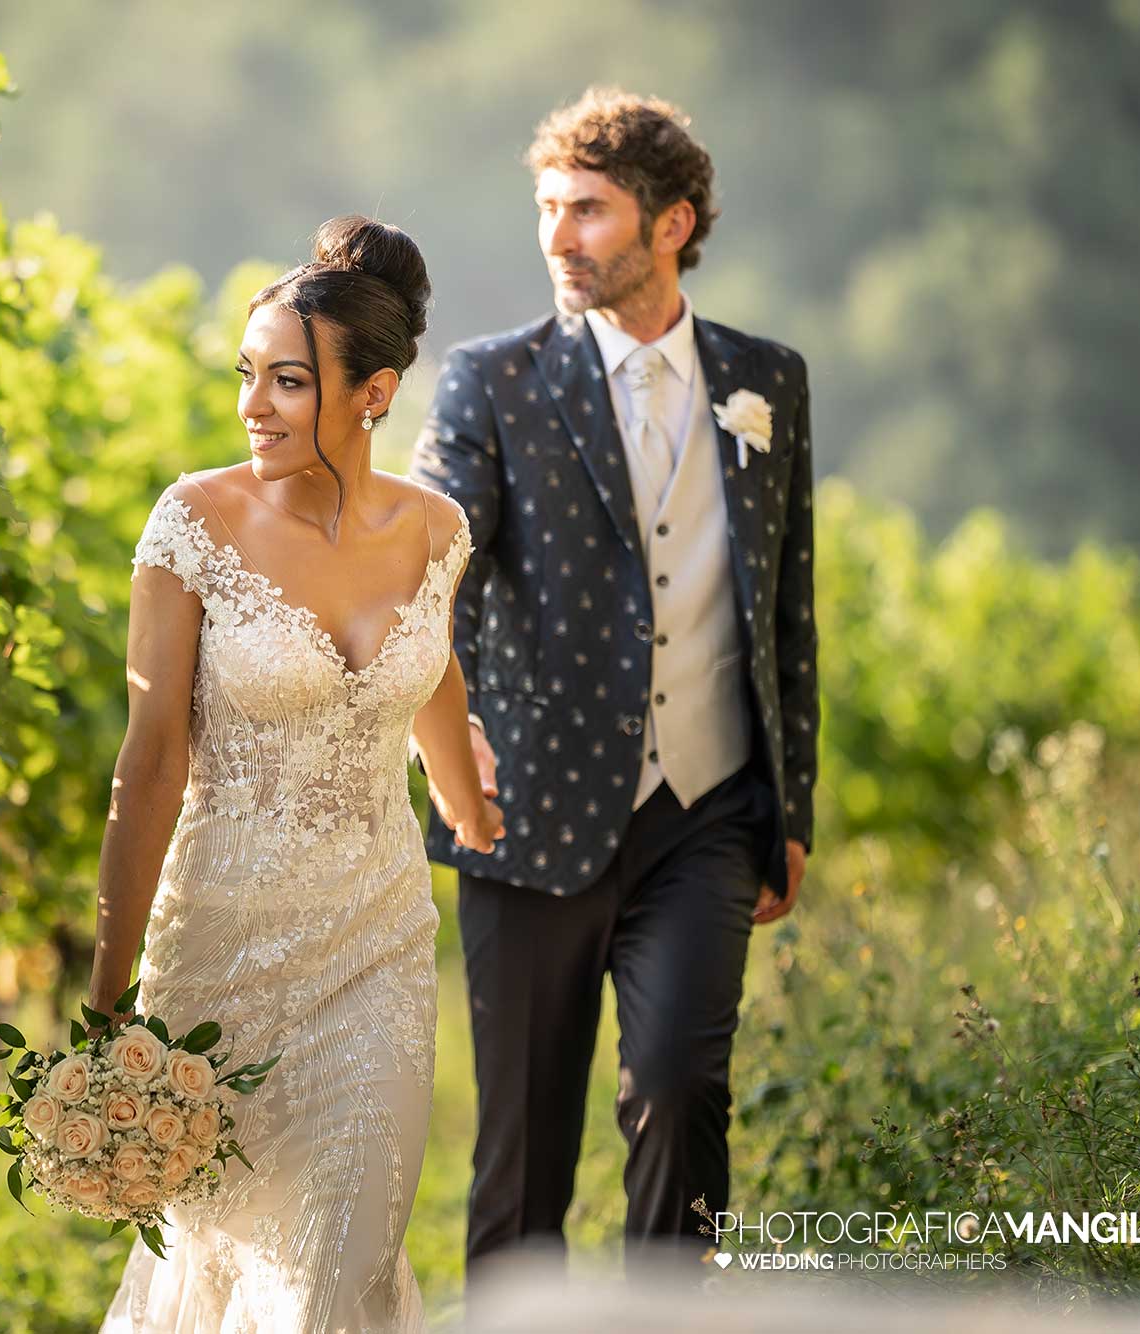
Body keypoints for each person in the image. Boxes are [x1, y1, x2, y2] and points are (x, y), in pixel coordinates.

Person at [410, 88, 819, 1276]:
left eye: (586, 209)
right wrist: (450, 732)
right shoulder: (492, 381)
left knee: (683, 1095)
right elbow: (434, 571)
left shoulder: (767, 383)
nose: (556, 234)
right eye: (546, 208)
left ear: (671, 222)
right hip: (524, 808)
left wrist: (789, 809)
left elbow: (785, 605)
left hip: (706, 811)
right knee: (522, 1147)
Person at [90, 215, 503, 1332]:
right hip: (216, 966)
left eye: (284, 380)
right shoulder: (193, 521)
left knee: (333, 1263)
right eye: (246, 376)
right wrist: (104, 995)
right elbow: (151, 757)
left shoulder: (436, 529)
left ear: (371, 393)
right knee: (220, 1270)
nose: (252, 406)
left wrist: (464, 793)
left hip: (374, 949)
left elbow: (430, 667)